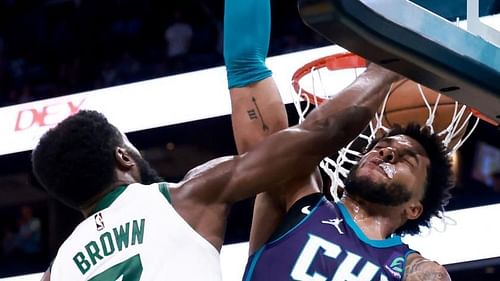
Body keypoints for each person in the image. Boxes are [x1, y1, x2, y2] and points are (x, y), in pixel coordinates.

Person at [32, 38, 400, 281]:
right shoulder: (183, 198)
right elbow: (317, 135)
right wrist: (384, 69)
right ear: (123, 157)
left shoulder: (58, 270)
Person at [223, 0, 452, 280]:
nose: (387, 154)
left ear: (414, 208)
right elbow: (246, 69)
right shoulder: (295, 194)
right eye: (381, 148)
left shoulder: (410, 269)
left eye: (407, 159)